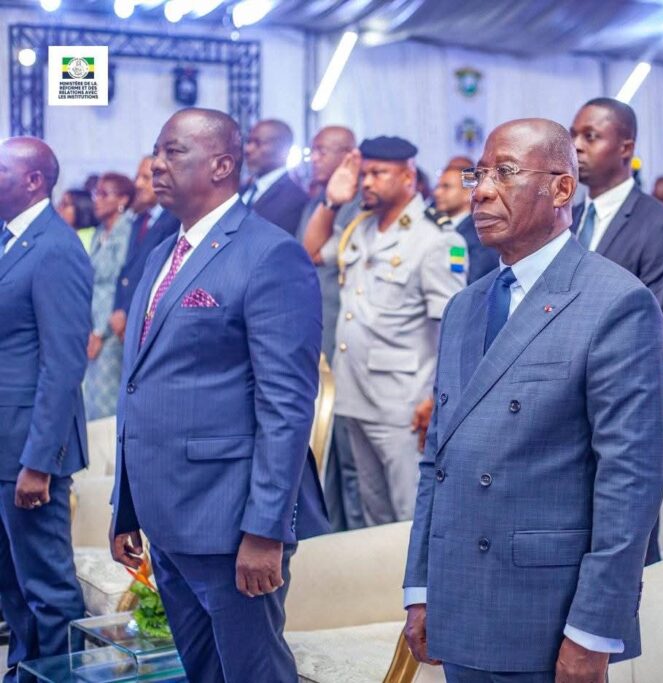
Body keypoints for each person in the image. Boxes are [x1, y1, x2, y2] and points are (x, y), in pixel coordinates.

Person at [402, 117, 663, 682]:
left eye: (504, 172)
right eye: (478, 175)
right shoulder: (465, 307)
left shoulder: (615, 302)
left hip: (544, 611)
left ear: (561, 189)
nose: (481, 190)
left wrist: (594, 630)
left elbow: (630, 480)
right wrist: (421, 587)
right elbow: (438, 462)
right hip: (459, 596)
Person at [109, 108, 329, 682]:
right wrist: (126, 507)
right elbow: (140, 386)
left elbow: (286, 406)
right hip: (166, 516)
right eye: (156, 151)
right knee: (202, 671)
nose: (156, 165)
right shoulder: (162, 254)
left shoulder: (269, 254)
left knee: (254, 672)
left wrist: (265, 530)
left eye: (173, 151)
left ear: (222, 165)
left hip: (230, 521)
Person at [321, 136, 466, 526]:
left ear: (407, 177)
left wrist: (437, 396)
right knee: (375, 517)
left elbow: (453, 325)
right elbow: (311, 251)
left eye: (378, 173)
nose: (367, 182)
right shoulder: (361, 228)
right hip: (356, 394)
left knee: (411, 516)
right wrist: (331, 202)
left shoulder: (437, 239)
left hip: (404, 403)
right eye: (364, 173)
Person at [0, 137, 92, 681]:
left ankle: (61, 676)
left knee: (48, 587)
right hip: (4, 442)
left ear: (34, 180)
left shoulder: (56, 247)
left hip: (29, 450)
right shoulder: (11, 241)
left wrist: (39, 462)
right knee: (12, 583)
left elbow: (63, 364)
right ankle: (24, 673)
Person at [570, 97, 663, 347]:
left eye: (590, 136)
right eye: (573, 135)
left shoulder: (661, 227)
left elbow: (656, 329)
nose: (576, 146)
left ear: (625, 149)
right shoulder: (567, 219)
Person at [297, 125, 365, 533]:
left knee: (349, 461)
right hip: (321, 337)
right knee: (326, 452)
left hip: (349, 344)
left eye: (323, 150)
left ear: (348, 156)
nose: (315, 158)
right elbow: (305, 255)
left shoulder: (359, 204)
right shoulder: (320, 201)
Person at [108, 156, 181, 346]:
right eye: (137, 177)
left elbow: (158, 274)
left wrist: (128, 312)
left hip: (148, 320)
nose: (138, 184)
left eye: (146, 178)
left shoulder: (175, 221)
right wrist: (118, 311)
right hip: (125, 324)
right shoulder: (139, 221)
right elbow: (127, 270)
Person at [83, 172, 134, 419]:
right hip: (92, 325)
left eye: (104, 194)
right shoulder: (99, 232)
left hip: (111, 328)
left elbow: (118, 283)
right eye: (96, 193)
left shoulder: (127, 230)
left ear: (122, 199)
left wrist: (99, 331)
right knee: (90, 397)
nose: (97, 200)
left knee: (106, 403)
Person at [433, 164, 499, 283]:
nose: (437, 193)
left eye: (446, 187)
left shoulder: (479, 234)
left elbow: (475, 283)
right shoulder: (434, 227)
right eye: (437, 186)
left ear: (468, 192)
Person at [242, 119, 309, 235]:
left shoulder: (294, 198)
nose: (248, 149)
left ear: (281, 147)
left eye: (258, 143)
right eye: (248, 142)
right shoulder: (243, 189)